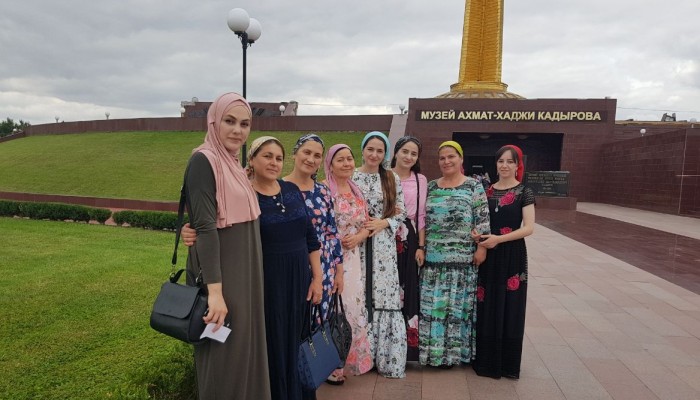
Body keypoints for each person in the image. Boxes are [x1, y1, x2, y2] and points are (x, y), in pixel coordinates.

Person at [182, 136, 323, 400]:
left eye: (278, 158)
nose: (274, 162)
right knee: (271, 341)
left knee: (296, 338)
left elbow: (310, 237)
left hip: (298, 280)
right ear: (252, 159)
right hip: (265, 281)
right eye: (267, 156)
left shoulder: (291, 190)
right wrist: (191, 231)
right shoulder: (245, 195)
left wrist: (317, 278)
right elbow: (218, 226)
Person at [181, 92, 271, 399]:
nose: (237, 130)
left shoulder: (231, 164)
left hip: (245, 273)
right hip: (223, 277)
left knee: (244, 351)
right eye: (229, 121)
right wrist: (215, 293)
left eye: (244, 124)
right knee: (224, 358)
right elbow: (206, 227)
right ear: (213, 122)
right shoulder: (203, 160)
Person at [419, 140, 490, 368]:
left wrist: (481, 247)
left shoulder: (473, 186)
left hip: (462, 261)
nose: (446, 161)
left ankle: (453, 356)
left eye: (451, 156)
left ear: (461, 159)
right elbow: (421, 220)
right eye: (442, 158)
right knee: (433, 308)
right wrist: (422, 247)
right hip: (433, 261)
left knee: (456, 310)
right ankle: (433, 354)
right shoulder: (431, 186)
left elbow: (483, 219)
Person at [283, 134, 345, 385]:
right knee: (294, 317)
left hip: (325, 265)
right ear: (295, 154)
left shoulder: (323, 191)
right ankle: (290, 371)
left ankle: (314, 367)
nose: (311, 159)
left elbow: (332, 232)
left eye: (317, 155)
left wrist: (338, 271)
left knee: (319, 317)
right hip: (293, 263)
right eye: (306, 152)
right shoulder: (279, 188)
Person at [472, 145, 535, 380]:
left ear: (517, 165)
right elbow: (478, 220)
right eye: (501, 161)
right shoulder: (485, 191)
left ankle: (507, 365)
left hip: (512, 255)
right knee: (487, 303)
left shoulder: (524, 192)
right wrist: (477, 236)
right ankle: (485, 361)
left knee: (511, 306)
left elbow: (529, 228)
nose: (505, 165)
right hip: (488, 255)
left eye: (510, 161)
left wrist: (498, 239)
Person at [352, 131, 407, 378]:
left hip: (383, 244)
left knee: (383, 294)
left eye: (380, 150)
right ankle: (359, 356)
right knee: (359, 291)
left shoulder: (391, 177)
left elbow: (401, 211)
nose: (374, 155)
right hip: (357, 243)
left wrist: (384, 223)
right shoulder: (352, 175)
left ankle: (385, 357)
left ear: (385, 154)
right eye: (370, 149)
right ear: (363, 150)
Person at [323, 143, 374, 378]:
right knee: (330, 308)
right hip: (329, 259)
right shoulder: (324, 190)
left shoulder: (357, 191)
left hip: (353, 260)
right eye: (340, 159)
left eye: (349, 159)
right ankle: (328, 365)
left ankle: (346, 360)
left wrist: (359, 237)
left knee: (351, 308)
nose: (346, 163)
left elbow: (367, 224)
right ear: (330, 165)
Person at [390, 136, 427, 361]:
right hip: (385, 235)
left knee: (408, 288)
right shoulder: (384, 175)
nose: (408, 157)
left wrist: (421, 246)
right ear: (396, 152)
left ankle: (407, 348)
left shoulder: (420, 180)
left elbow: (421, 216)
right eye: (405, 151)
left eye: (414, 154)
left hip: (409, 237)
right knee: (387, 287)